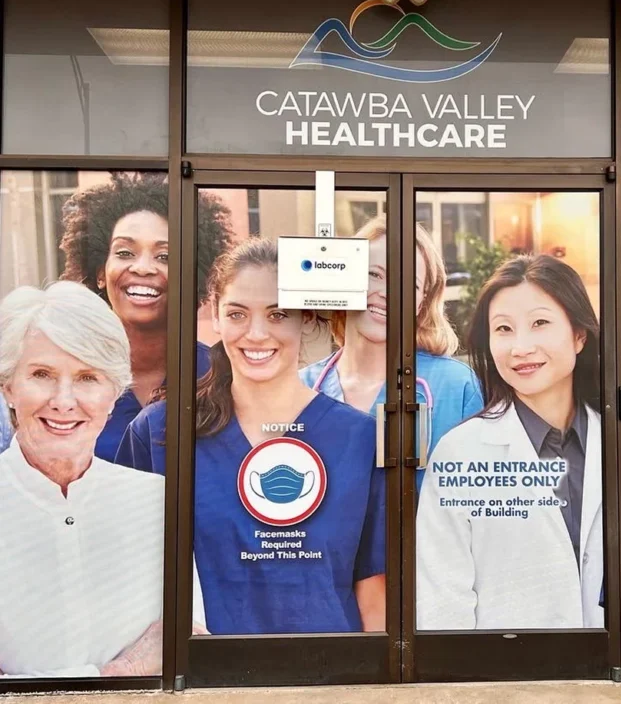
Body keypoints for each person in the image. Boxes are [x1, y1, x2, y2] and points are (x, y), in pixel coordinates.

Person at [116, 237, 386, 635]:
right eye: (237, 314)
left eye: (277, 315)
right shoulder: (161, 433)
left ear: (306, 318)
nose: (256, 334)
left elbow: (374, 595)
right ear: (216, 316)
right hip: (205, 670)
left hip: (330, 668)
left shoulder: (360, 440)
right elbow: (124, 575)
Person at [416, 254, 604, 630]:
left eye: (540, 323)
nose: (520, 347)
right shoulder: (460, 454)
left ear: (579, 335)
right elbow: (443, 604)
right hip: (505, 667)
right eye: (503, 329)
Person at [0, 281, 166, 677]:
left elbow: (183, 636)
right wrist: (108, 679)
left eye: (87, 377)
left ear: (113, 395)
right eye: (42, 374)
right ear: (8, 387)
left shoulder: (158, 501)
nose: (63, 401)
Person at [59, 172, 234, 463]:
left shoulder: (219, 375)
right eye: (125, 252)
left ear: (192, 275)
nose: (142, 268)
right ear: (101, 272)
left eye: (164, 256)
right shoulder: (66, 374)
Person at [301, 215, 482, 490]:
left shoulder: (456, 387)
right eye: (374, 275)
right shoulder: (300, 388)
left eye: (408, 284)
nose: (387, 293)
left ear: (422, 302)